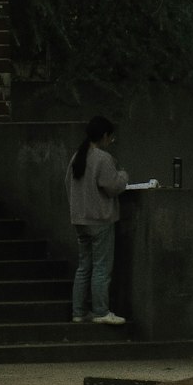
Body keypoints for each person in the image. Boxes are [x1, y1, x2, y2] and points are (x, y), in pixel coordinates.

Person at [65, 115, 128, 325]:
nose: (111, 141)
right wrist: (124, 175)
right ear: (104, 136)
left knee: (84, 266)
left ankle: (78, 311)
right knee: (102, 267)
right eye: (110, 137)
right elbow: (113, 186)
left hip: (80, 219)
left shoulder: (77, 157)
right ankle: (101, 311)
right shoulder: (102, 158)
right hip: (99, 219)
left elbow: (68, 185)